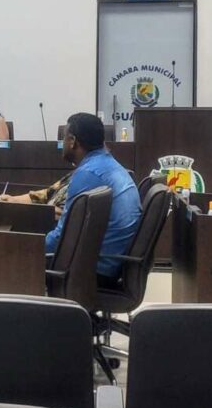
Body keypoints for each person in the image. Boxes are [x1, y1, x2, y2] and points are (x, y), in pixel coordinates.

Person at [46, 112, 141, 287]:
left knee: (14, 258)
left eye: (64, 138)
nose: (62, 143)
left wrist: (30, 248)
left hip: (96, 270)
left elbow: (62, 238)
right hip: (115, 263)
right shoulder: (108, 165)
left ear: (73, 141)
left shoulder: (88, 173)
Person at [0, 172, 73, 219]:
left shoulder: (79, 182)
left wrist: (24, 209)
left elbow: (63, 215)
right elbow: (45, 194)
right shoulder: (72, 175)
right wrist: (13, 200)